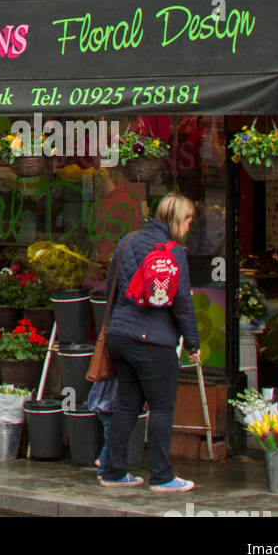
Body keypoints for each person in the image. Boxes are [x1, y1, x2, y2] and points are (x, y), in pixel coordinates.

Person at [98, 191, 202, 493]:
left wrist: (120, 322)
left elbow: (110, 287)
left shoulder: (127, 241)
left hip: (120, 337)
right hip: (154, 342)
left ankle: (113, 471)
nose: (188, 228)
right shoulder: (174, 251)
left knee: (127, 405)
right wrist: (193, 343)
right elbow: (182, 302)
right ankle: (162, 475)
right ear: (175, 220)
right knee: (161, 408)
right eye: (187, 221)